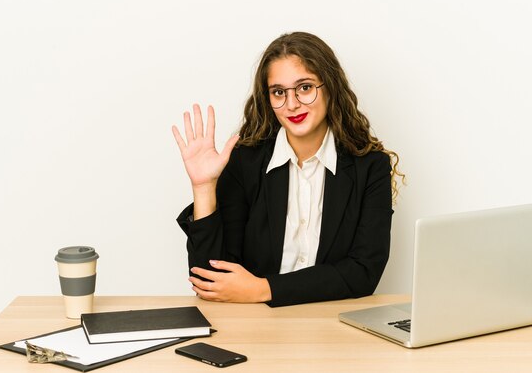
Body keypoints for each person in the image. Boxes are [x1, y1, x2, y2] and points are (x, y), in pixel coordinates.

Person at [172, 32, 402, 307]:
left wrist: (264, 289)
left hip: (333, 327)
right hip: (256, 328)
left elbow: (364, 272)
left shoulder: (370, 166)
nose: (292, 104)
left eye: (305, 87)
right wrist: (204, 187)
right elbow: (209, 281)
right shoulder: (245, 162)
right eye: (279, 92)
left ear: (330, 87)